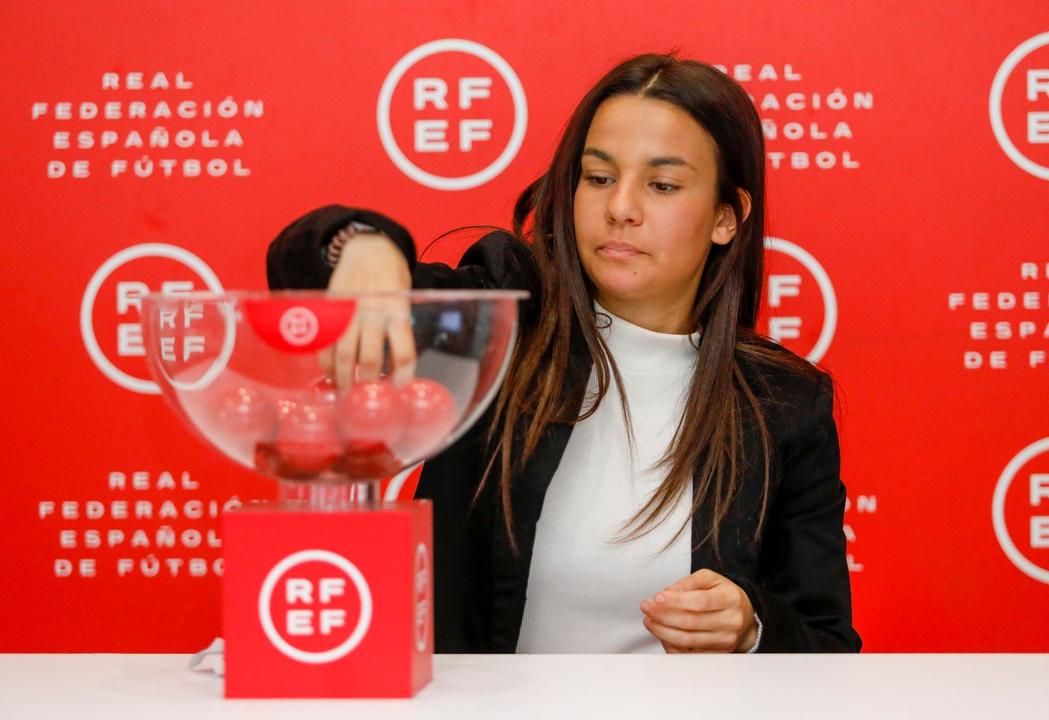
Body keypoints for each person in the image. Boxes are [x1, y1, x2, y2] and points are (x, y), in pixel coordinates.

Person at [266, 53, 861, 654]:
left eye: (661, 185)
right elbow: (306, 276)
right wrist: (362, 246)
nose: (620, 207)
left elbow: (829, 644)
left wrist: (752, 628)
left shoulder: (783, 403)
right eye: (598, 177)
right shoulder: (502, 317)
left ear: (726, 218)